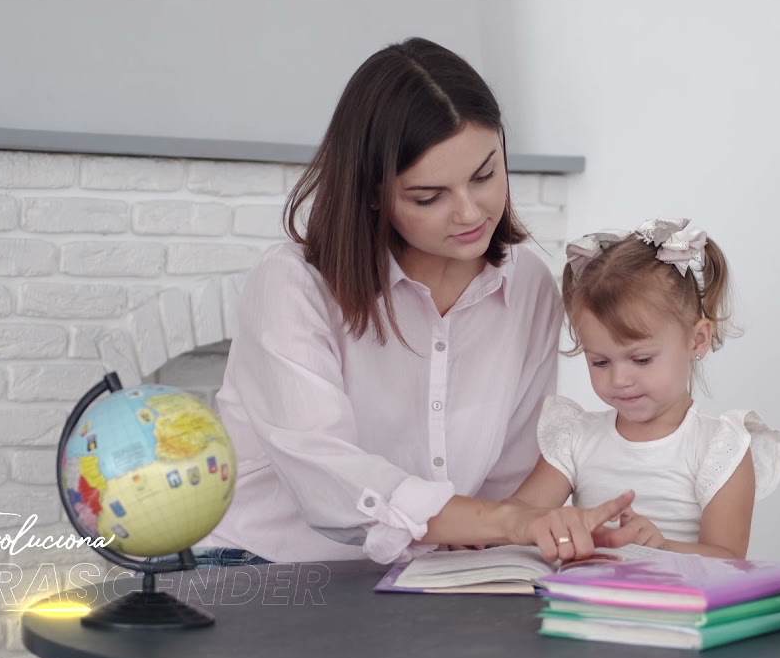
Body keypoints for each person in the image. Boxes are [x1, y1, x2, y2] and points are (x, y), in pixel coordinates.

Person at [195, 38, 633, 568]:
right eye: (429, 197)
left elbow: (506, 488)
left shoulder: (530, 287)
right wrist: (507, 522)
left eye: (485, 175)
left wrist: (543, 530)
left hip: (424, 574)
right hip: (263, 569)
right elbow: (327, 478)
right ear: (373, 193)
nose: (470, 212)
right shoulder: (293, 285)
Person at [505, 218, 780, 560]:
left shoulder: (719, 447)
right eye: (600, 362)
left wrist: (661, 547)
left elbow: (728, 559)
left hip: (680, 595)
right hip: (585, 593)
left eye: (641, 359)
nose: (620, 379)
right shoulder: (575, 437)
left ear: (697, 340)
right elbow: (517, 518)